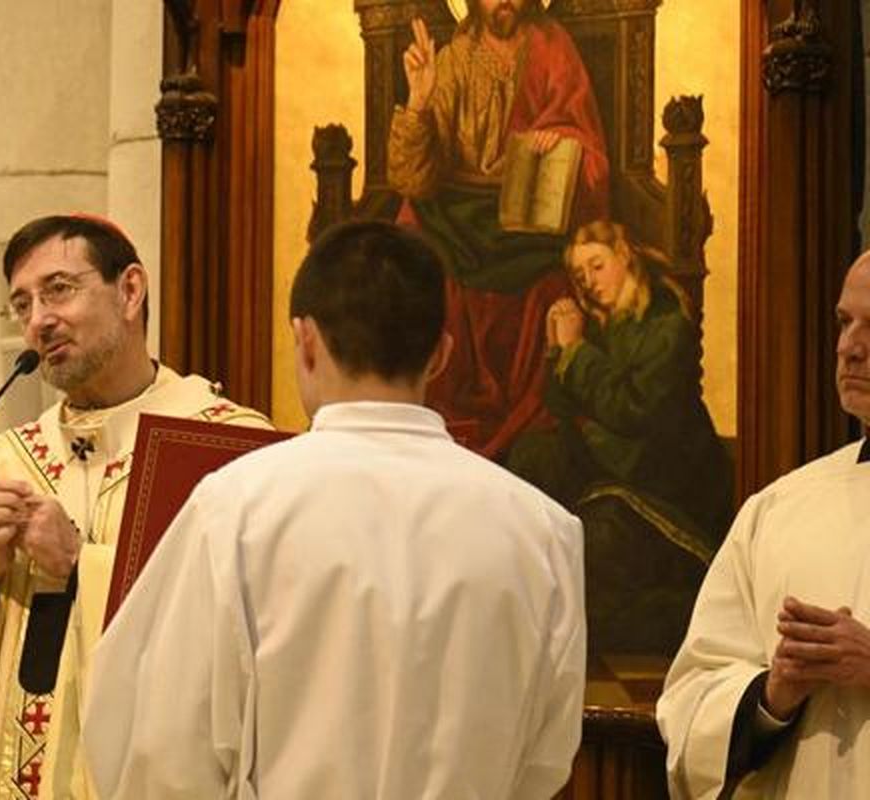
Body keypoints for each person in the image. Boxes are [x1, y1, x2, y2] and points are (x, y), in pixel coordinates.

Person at [82, 221, 586, 798]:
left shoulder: (237, 508)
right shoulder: (544, 531)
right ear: (442, 355)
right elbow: (546, 759)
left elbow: (157, 748)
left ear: (306, 340)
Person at [0, 214, 271, 799]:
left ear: (131, 291)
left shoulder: (224, 449)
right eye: (22, 305)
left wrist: (82, 566)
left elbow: (252, 624)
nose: (39, 320)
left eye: (59, 290)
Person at [658, 251, 870, 797]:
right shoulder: (778, 508)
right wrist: (771, 696)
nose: (851, 347)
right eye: (845, 323)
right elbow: (694, 693)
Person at [389, 0, 610, 458]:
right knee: (430, 283)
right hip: (455, 211)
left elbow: (586, 140)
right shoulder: (451, 60)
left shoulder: (552, 47)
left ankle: (526, 441)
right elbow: (414, 179)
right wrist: (420, 101)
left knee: (545, 292)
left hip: (525, 215)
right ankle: (439, 434)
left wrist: (562, 139)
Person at [507, 220, 732, 653]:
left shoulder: (667, 322)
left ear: (625, 259)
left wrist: (575, 352)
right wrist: (558, 348)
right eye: (579, 275)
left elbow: (632, 410)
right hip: (615, 464)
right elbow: (562, 408)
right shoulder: (603, 321)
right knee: (531, 455)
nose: (589, 283)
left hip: (666, 486)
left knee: (598, 545)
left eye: (597, 266)